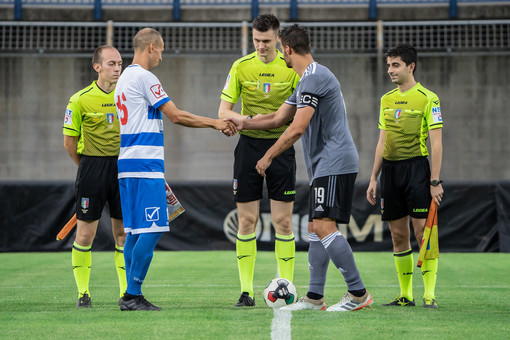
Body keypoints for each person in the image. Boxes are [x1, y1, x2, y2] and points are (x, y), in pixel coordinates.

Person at [227, 24, 373, 312]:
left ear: (289, 49)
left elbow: (297, 128)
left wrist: (268, 155)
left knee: (323, 225)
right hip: (324, 165)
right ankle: (315, 298)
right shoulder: (308, 77)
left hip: (335, 162)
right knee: (314, 228)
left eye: (282, 49)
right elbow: (278, 118)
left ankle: (358, 294)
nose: (281, 55)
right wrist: (241, 122)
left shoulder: (314, 78)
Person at [115, 28, 236, 311]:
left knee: (134, 231)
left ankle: (128, 294)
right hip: (145, 164)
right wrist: (216, 123)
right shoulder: (145, 77)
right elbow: (176, 115)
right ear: (151, 48)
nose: (162, 56)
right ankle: (133, 295)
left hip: (127, 163)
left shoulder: (123, 79)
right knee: (153, 228)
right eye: (161, 50)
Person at [218, 14, 300, 307]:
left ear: (278, 39)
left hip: (281, 148)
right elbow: (223, 112)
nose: (261, 46)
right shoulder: (240, 67)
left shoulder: (291, 69)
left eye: (266, 41)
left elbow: (291, 117)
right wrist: (245, 121)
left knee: (284, 223)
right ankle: (246, 291)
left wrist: (245, 120)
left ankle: (287, 288)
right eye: (256, 41)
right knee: (247, 220)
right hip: (248, 148)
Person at [366, 44, 443, 309]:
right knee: (398, 236)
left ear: (411, 66)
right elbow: (381, 141)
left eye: (395, 65)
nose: (390, 70)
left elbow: (437, 144)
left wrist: (434, 181)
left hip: (417, 171)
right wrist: (374, 177)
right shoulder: (385, 100)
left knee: (424, 232)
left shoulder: (428, 98)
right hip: (390, 171)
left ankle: (429, 294)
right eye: (389, 65)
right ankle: (406, 295)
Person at [62, 45, 127, 308]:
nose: (117, 68)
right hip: (91, 169)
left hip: (122, 168)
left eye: (120, 63)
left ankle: (126, 293)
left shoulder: (128, 95)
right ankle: (83, 294)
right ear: (97, 67)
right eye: (111, 64)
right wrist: (88, 168)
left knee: (122, 234)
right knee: (85, 235)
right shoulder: (79, 99)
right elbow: (69, 141)